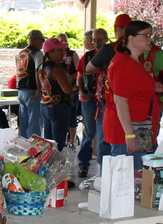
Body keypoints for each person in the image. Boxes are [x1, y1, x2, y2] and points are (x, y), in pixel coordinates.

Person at [103, 20, 157, 171]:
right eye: (146, 35)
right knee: (128, 178)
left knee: (139, 175)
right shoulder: (124, 64)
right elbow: (120, 101)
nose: (150, 39)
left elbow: (132, 88)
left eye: (150, 35)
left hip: (139, 127)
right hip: (128, 131)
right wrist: (129, 135)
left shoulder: (132, 61)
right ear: (131, 38)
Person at [85, 13, 131, 169]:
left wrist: (104, 70)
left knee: (105, 142)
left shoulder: (108, 49)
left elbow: (89, 68)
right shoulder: (143, 49)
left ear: (115, 29)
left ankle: (105, 175)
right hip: (134, 104)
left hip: (110, 102)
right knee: (129, 145)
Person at [76, 28, 107, 178]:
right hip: (89, 100)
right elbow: (80, 76)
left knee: (103, 134)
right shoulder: (87, 56)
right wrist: (82, 92)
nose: (96, 43)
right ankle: (83, 163)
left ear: (106, 40)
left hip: (104, 101)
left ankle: (104, 167)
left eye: (100, 40)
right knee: (89, 132)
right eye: (94, 40)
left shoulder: (111, 54)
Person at [38, 37, 74, 150]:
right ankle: (58, 161)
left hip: (45, 105)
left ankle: (48, 161)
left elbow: (39, 87)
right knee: (58, 144)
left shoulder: (40, 67)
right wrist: (77, 89)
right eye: (59, 50)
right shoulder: (56, 69)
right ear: (50, 52)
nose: (62, 52)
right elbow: (67, 90)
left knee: (48, 143)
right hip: (58, 107)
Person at [15, 30, 45, 138]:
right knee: (35, 123)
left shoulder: (19, 54)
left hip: (21, 91)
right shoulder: (38, 53)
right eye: (41, 40)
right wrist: (39, 89)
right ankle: (34, 145)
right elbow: (38, 72)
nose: (42, 43)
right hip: (33, 90)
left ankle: (23, 145)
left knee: (24, 122)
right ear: (35, 40)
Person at [56, 33, 80, 148]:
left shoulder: (72, 54)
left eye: (65, 40)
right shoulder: (54, 55)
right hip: (59, 92)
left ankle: (72, 142)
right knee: (61, 117)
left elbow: (79, 71)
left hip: (72, 91)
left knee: (72, 117)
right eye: (61, 40)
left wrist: (68, 77)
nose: (63, 43)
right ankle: (62, 141)